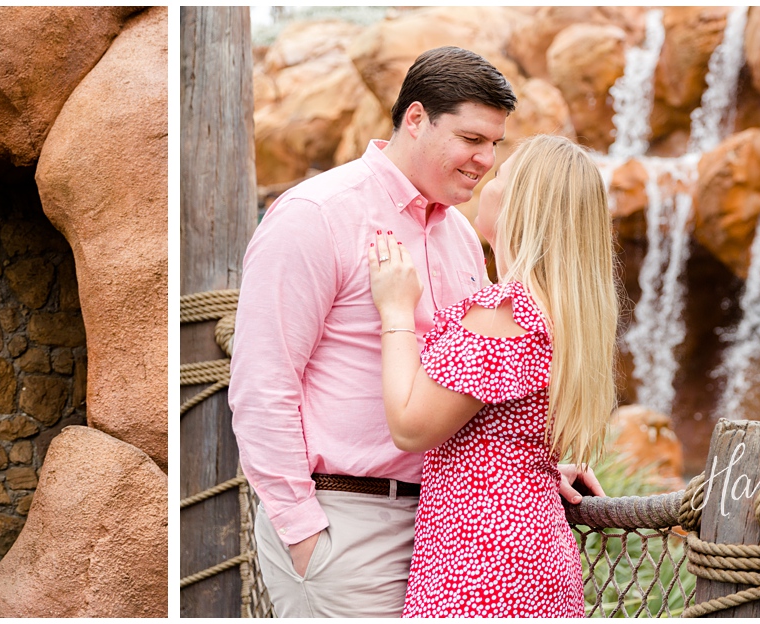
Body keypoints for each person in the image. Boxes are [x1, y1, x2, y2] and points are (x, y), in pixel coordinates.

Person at [231, 45, 599, 618]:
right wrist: (304, 533)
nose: (485, 159)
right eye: (472, 139)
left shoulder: (459, 234)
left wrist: (531, 463)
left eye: (495, 145)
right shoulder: (317, 214)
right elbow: (262, 384)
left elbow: (478, 386)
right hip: (348, 526)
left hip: (453, 538)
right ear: (417, 118)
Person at [367, 134, 617, 617]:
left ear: (521, 205)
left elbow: (411, 426)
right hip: (535, 550)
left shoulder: (505, 314)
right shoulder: (562, 314)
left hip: (482, 562)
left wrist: (396, 308)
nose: (489, 176)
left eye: (503, 175)